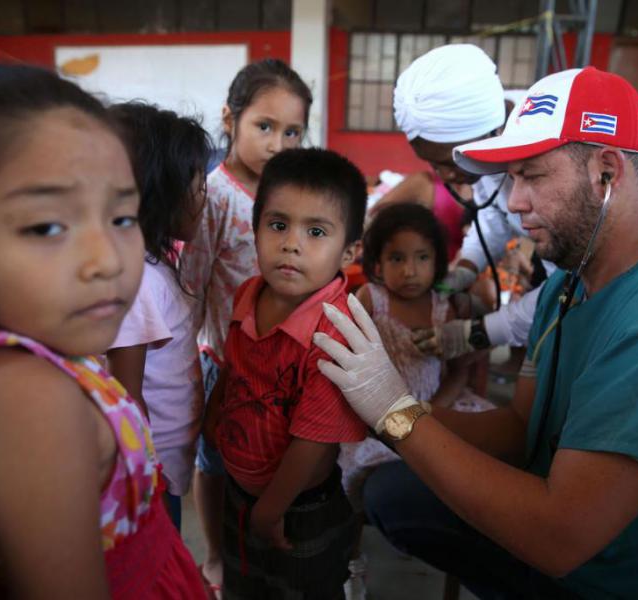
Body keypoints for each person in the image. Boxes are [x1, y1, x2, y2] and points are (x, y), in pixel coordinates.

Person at [314, 67, 638, 598]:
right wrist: (378, 414)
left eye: (532, 176)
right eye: (511, 179)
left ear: (606, 173)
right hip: (582, 551)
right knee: (395, 493)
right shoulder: (568, 285)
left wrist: (394, 413)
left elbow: (561, 535)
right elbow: (521, 429)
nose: (513, 202)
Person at [0, 65, 206, 598]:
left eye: (122, 218)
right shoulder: (25, 398)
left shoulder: (37, 354)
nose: (105, 259)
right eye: (47, 227)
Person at [393, 43, 638, 355]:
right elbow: (494, 212)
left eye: (532, 176)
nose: (445, 175)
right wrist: (467, 268)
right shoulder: (492, 133)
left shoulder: (564, 157)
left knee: (636, 344)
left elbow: (567, 289)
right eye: (433, 164)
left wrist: (477, 333)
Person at [204, 148, 368, 599]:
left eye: (316, 231)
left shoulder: (334, 332)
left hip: (297, 508)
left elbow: (312, 439)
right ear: (255, 230)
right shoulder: (248, 293)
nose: (291, 243)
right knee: (246, 587)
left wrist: (271, 510)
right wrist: (213, 414)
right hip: (240, 492)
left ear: (350, 250)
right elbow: (235, 364)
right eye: (277, 225)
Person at [182, 58, 312, 596]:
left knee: (266, 458)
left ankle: (258, 545)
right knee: (214, 461)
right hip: (223, 361)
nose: (279, 143)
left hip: (278, 358)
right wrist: (187, 359)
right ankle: (215, 555)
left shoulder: (286, 192)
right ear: (229, 119)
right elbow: (192, 282)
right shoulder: (215, 196)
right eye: (266, 126)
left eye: (293, 131)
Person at [337, 202, 478, 597]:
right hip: (376, 420)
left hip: (437, 410)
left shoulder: (442, 307)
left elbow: (458, 373)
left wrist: (435, 412)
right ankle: (350, 563)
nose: (410, 270)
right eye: (397, 258)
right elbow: (350, 363)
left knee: (473, 466)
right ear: (377, 262)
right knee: (349, 476)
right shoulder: (370, 300)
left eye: (421, 258)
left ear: (438, 261)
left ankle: (462, 556)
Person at [106, 102, 213, 531]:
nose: (204, 194)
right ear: (159, 192)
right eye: (196, 182)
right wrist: (141, 473)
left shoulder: (155, 265)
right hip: (148, 472)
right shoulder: (139, 281)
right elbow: (125, 397)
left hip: (167, 460)